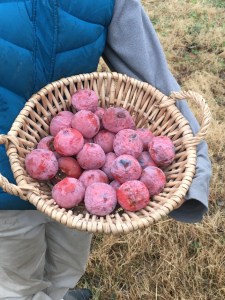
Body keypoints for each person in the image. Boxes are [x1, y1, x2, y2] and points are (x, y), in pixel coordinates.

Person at [0, 0, 211, 299]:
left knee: (68, 264)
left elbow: (153, 75)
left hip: (81, 182)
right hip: (5, 186)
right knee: (16, 282)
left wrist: (195, 165)